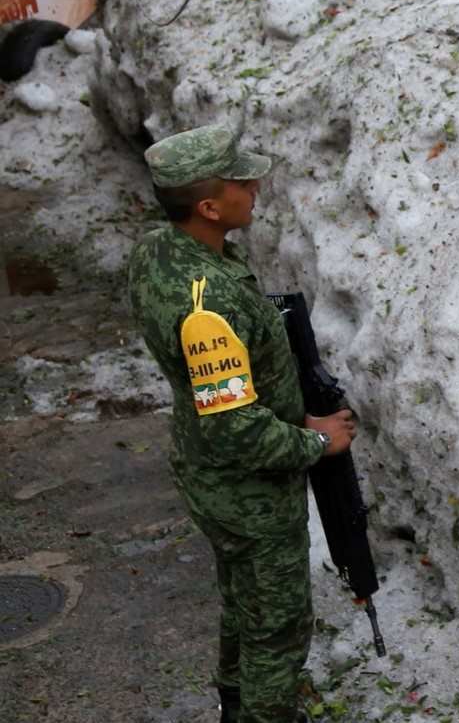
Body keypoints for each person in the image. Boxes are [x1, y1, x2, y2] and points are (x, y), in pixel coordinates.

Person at [128, 121, 358, 723]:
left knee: (246, 602)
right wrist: (315, 440)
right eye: (239, 181)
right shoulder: (208, 307)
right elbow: (237, 428)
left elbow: (224, 395)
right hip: (245, 489)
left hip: (210, 471)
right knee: (276, 621)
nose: (254, 186)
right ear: (208, 206)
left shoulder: (161, 249)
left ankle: (237, 701)